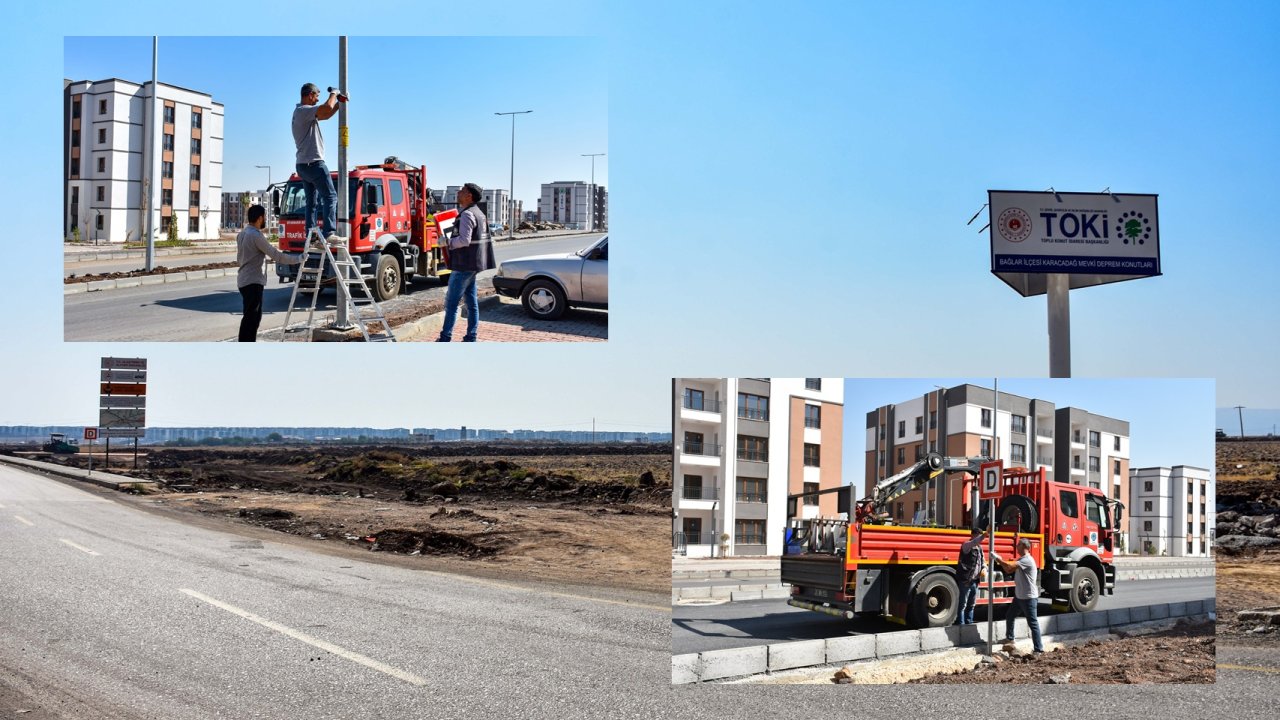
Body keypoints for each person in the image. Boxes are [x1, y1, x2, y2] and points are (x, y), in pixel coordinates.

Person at [436, 183, 496, 342]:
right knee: (471, 303)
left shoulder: (467, 215)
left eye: (462, 191)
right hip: (473, 264)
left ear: (469, 196)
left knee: (451, 304)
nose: (458, 193)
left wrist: (447, 242)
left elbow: (464, 240)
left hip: (463, 265)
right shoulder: (480, 214)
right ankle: (471, 336)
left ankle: (445, 338)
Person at [236, 204, 302, 342]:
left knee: (251, 316)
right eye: (265, 217)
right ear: (260, 218)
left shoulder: (242, 234)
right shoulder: (255, 235)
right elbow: (276, 255)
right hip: (252, 281)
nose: (265, 219)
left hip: (243, 280)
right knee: (252, 319)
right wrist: (298, 259)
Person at [292, 83, 345, 243]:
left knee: (312, 203)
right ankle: (329, 233)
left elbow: (326, 113)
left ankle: (312, 234)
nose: (316, 100)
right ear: (309, 95)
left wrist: (339, 104)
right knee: (330, 196)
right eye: (316, 97)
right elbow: (326, 107)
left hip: (303, 165)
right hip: (313, 163)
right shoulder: (303, 111)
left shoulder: (302, 113)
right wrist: (334, 93)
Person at [994, 537, 1045, 654]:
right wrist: (999, 561)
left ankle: (1039, 649)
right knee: (1010, 615)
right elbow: (1008, 570)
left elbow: (1009, 566)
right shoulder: (1022, 559)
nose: (1016, 547)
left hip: (1028, 598)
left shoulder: (1027, 560)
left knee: (1033, 623)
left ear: (1025, 547)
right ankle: (1010, 639)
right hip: (1020, 596)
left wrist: (998, 559)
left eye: (1019, 545)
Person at [954, 526, 988, 625]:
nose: (980, 539)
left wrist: (984, 568)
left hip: (975, 581)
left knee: (972, 604)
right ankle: (961, 624)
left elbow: (984, 561)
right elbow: (974, 542)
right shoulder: (966, 545)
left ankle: (969, 622)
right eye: (978, 536)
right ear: (972, 535)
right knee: (963, 604)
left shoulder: (979, 548)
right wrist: (984, 535)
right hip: (966, 580)